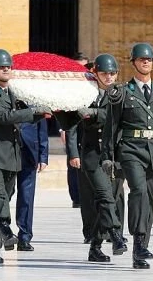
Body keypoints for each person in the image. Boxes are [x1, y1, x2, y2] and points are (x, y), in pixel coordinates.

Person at [101, 43, 153, 269]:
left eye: (149, 59)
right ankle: (138, 239)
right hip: (131, 149)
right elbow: (111, 127)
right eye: (141, 59)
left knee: (150, 200)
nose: (146, 62)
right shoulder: (123, 92)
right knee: (138, 191)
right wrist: (108, 156)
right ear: (133, 62)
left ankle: (141, 247)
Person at [0, 49, 51, 264]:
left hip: (10, 155)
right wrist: (34, 112)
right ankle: (6, 228)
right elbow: (4, 117)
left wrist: (41, 113)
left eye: (8, 67)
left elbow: (23, 119)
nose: (6, 69)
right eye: (1, 67)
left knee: (3, 199)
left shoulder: (14, 94)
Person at [71, 53, 129, 262]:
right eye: (105, 73)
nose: (109, 77)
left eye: (113, 73)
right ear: (95, 73)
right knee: (104, 196)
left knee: (109, 200)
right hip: (93, 154)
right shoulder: (85, 94)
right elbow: (71, 120)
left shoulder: (121, 94)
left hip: (114, 155)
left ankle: (95, 246)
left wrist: (95, 114)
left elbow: (120, 117)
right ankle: (115, 234)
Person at [12, 119, 48, 251]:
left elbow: (42, 128)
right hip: (7, 150)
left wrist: (43, 155)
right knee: (4, 194)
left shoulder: (35, 100)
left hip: (30, 152)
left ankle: (25, 237)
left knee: (26, 197)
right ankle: (1, 233)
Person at [66, 53, 90, 209]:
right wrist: (63, 128)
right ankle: (77, 197)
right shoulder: (69, 85)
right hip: (75, 129)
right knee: (74, 164)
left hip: (89, 130)